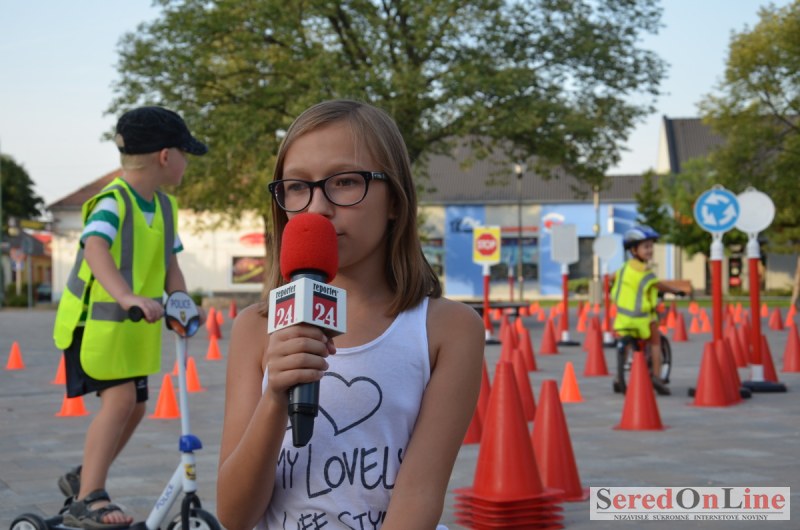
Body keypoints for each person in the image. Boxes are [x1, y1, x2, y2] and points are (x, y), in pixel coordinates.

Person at [217, 99, 485, 530]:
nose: (317, 208)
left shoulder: (448, 330)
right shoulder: (255, 327)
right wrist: (275, 398)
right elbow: (234, 514)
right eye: (297, 187)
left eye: (344, 182)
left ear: (395, 199)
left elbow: (419, 494)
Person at [52, 106, 207, 528]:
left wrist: (181, 301)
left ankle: (85, 476)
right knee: (121, 400)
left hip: (129, 330)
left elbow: (170, 264)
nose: (186, 162)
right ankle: (89, 498)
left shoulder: (165, 207)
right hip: (94, 326)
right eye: (184, 153)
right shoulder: (113, 201)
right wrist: (126, 295)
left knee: (136, 408)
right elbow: (95, 248)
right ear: (165, 156)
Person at [611, 226, 684, 396]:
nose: (650, 250)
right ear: (633, 250)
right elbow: (659, 285)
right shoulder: (645, 272)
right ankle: (657, 377)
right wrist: (676, 291)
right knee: (655, 342)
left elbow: (611, 278)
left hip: (623, 317)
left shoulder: (623, 268)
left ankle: (618, 378)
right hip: (642, 317)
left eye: (651, 246)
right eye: (646, 247)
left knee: (626, 343)